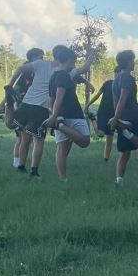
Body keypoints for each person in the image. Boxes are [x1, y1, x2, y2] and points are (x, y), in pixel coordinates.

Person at [6, 46, 92, 178]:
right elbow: (83, 69)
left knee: (22, 136)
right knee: (39, 141)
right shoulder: (64, 72)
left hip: (27, 103)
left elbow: (20, 69)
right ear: (66, 58)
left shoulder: (41, 64)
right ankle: (34, 171)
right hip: (41, 108)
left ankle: (21, 166)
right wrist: (91, 55)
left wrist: (10, 86)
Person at [46, 47, 92, 181]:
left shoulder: (53, 77)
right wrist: (54, 117)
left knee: (62, 147)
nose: (74, 64)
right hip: (72, 114)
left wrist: (53, 114)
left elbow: (51, 99)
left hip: (60, 115)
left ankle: (63, 179)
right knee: (85, 141)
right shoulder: (63, 75)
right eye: (74, 61)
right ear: (69, 60)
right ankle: (60, 126)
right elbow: (59, 96)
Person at [0, 47, 40, 168]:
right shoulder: (27, 71)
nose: (43, 59)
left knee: (23, 136)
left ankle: (18, 163)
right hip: (23, 105)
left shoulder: (41, 72)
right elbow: (15, 88)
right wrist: (2, 103)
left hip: (31, 106)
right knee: (22, 137)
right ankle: (17, 163)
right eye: (40, 56)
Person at [110, 50, 138, 186]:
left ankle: (119, 181)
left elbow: (115, 101)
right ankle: (127, 133)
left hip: (122, 119)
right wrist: (116, 119)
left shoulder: (115, 80)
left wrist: (116, 117)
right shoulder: (128, 78)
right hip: (133, 117)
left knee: (124, 153)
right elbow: (123, 99)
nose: (134, 63)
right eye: (132, 60)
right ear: (128, 62)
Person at [85, 68, 117, 161]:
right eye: (116, 73)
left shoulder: (122, 86)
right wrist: (88, 105)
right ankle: (93, 118)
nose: (117, 76)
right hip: (103, 111)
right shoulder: (108, 83)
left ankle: (106, 159)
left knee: (109, 138)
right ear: (115, 74)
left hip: (113, 114)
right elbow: (98, 95)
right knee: (100, 134)